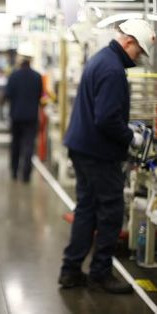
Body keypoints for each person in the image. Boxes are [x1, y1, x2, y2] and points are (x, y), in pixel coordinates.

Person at [58, 19, 155, 294]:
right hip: (98, 154)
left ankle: (71, 271)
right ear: (129, 42)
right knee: (111, 213)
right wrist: (131, 137)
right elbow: (107, 119)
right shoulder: (112, 69)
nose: (138, 58)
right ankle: (100, 274)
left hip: (83, 148)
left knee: (86, 210)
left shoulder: (102, 59)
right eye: (139, 52)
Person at [2, 41, 43, 183]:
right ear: (31, 59)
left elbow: (7, 95)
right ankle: (26, 175)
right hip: (31, 117)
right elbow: (40, 96)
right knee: (29, 146)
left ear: (20, 58)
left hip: (16, 116)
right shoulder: (37, 77)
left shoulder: (13, 76)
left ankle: (14, 172)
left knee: (16, 145)